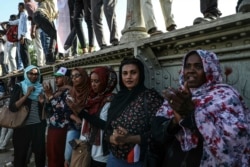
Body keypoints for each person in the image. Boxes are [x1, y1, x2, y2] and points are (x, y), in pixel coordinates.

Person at [152, 50, 250, 166]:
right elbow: (157, 132)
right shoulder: (178, 96)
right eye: (187, 66)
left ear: (210, 70)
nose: (191, 70)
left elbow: (237, 138)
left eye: (198, 66)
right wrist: (175, 121)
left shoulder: (226, 96)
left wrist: (192, 114)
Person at [104, 58, 164, 167]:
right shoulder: (118, 98)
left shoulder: (150, 97)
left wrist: (129, 138)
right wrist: (111, 138)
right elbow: (107, 128)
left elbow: (159, 132)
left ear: (140, 75)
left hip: (139, 160)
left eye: (133, 72)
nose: (128, 77)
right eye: (125, 73)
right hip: (115, 158)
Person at [67, 66, 117, 167]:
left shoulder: (110, 100)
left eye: (97, 81)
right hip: (87, 147)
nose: (93, 84)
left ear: (105, 81)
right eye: (92, 81)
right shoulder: (92, 98)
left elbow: (105, 124)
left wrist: (81, 112)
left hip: (100, 151)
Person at [9, 65, 46, 167]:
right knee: (21, 156)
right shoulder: (19, 86)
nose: (34, 76)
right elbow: (12, 107)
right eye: (31, 74)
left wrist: (42, 102)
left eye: (36, 74)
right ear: (26, 74)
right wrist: (27, 95)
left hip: (38, 126)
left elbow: (45, 110)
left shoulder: (40, 88)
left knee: (40, 154)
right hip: (22, 126)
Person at [43, 67, 72, 167]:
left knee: (58, 157)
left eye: (59, 77)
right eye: (56, 77)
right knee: (51, 155)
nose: (56, 80)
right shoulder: (57, 92)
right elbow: (49, 112)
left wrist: (50, 97)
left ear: (66, 78)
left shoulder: (69, 92)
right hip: (52, 128)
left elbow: (63, 112)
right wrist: (47, 99)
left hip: (61, 129)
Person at [64, 67, 91, 167]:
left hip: (88, 129)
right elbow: (66, 111)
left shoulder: (90, 92)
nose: (74, 79)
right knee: (69, 154)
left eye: (77, 76)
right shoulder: (71, 93)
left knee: (83, 156)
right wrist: (76, 119)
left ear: (83, 77)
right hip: (75, 127)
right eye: (72, 77)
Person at [33, 0, 58, 65]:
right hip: (40, 15)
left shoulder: (51, 4)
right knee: (53, 34)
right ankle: (50, 55)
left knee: (53, 34)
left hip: (38, 16)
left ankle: (50, 58)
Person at [8, 2, 32, 68]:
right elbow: (14, 22)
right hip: (22, 37)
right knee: (22, 54)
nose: (18, 8)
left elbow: (25, 26)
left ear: (22, 7)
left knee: (25, 54)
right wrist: (7, 22)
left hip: (24, 37)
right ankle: (26, 67)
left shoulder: (25, 14)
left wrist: (22, 36)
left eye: (19, 6)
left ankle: (28, 67)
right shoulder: (21, 15)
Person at [24, 0, 46, 67]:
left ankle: (40, 63)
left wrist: (33, 30)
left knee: (38, 46)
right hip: (42, 25)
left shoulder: (27, 4)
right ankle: (44, 61)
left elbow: (34, 17)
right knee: (43, 45)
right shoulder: (35, 3)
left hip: (36, 27)